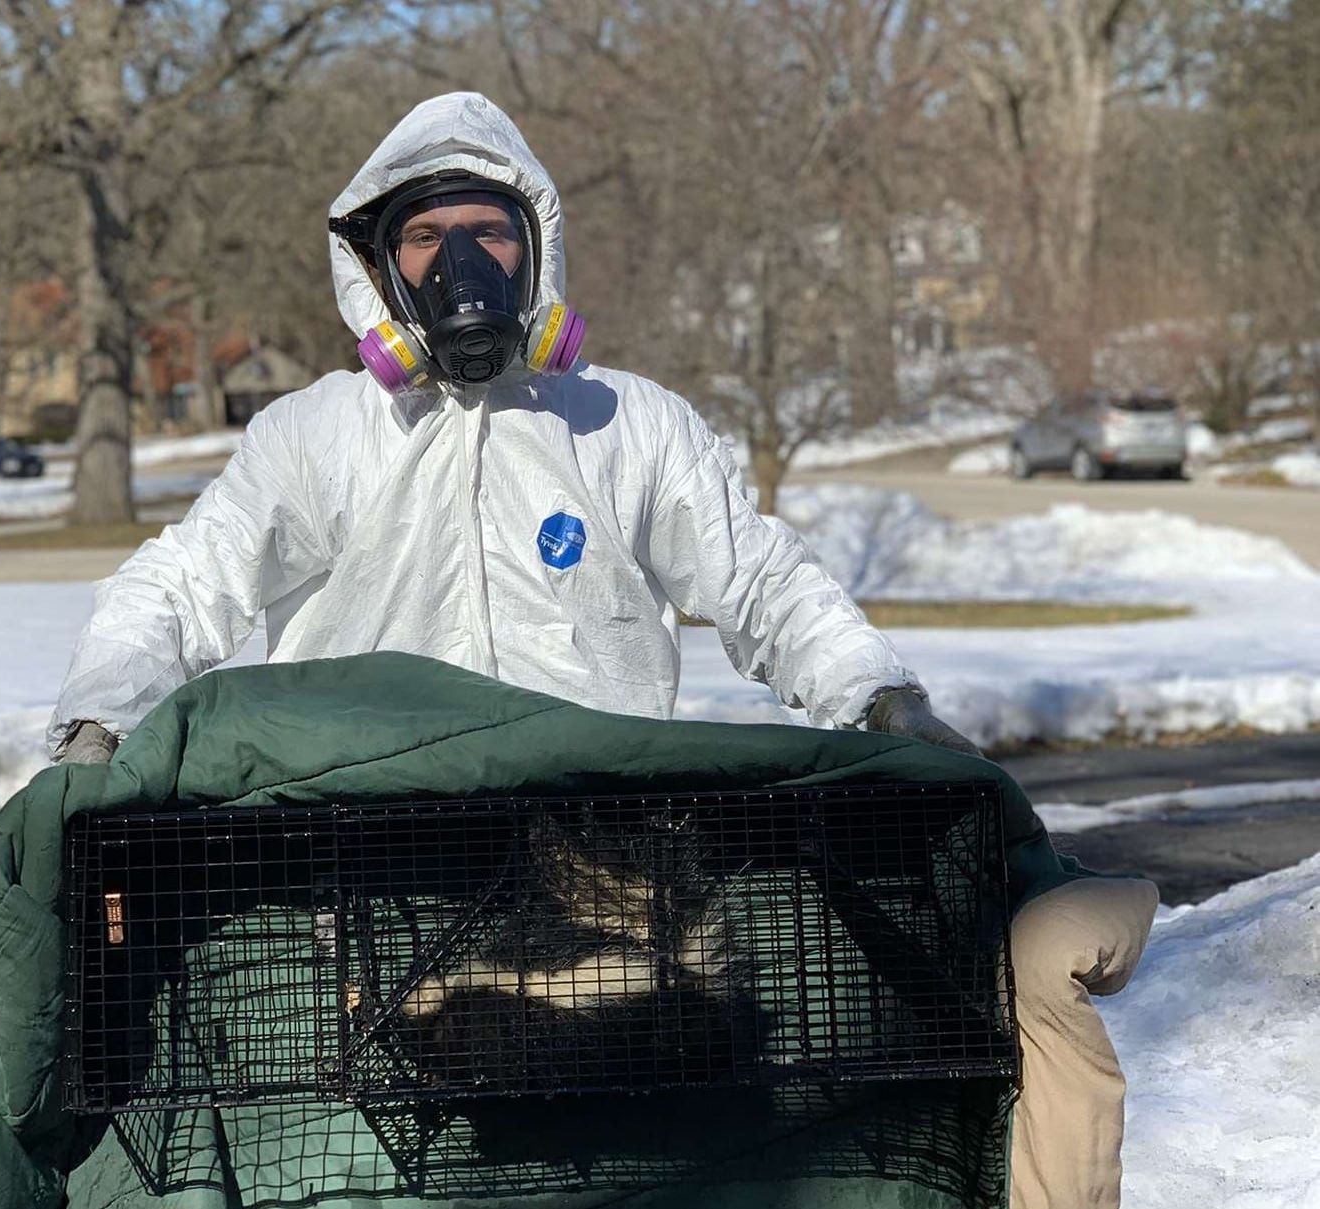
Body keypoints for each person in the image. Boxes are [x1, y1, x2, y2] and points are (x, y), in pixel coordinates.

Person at [48, 91, 977, 764]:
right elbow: (178, 585)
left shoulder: (626, 423)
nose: (459, 264)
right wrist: (99, 724)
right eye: (424, 238)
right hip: (358, 846)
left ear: (534, 253)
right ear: (378, 271)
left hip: (597, 844)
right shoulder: (311, 436)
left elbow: (762, 583)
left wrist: (877, 695)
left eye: (486, 234)